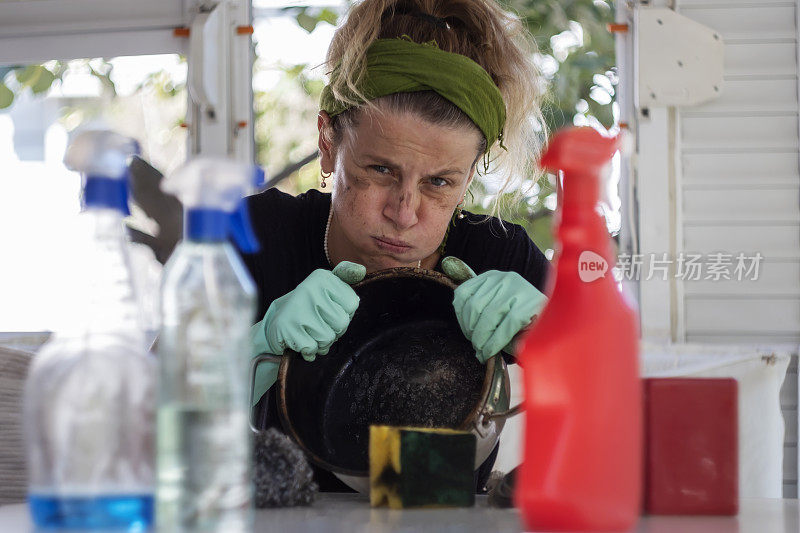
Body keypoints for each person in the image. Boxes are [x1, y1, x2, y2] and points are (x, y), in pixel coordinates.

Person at [241, 0, 550, 492]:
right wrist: (251, 351)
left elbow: (619, 429)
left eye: (440, 183)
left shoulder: (499, 256)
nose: (404, 215)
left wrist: (556, 346)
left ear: (470, 176)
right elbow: (142, 422)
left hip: (440, 520)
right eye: (380, 170)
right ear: (328, 143)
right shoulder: (255, 236)